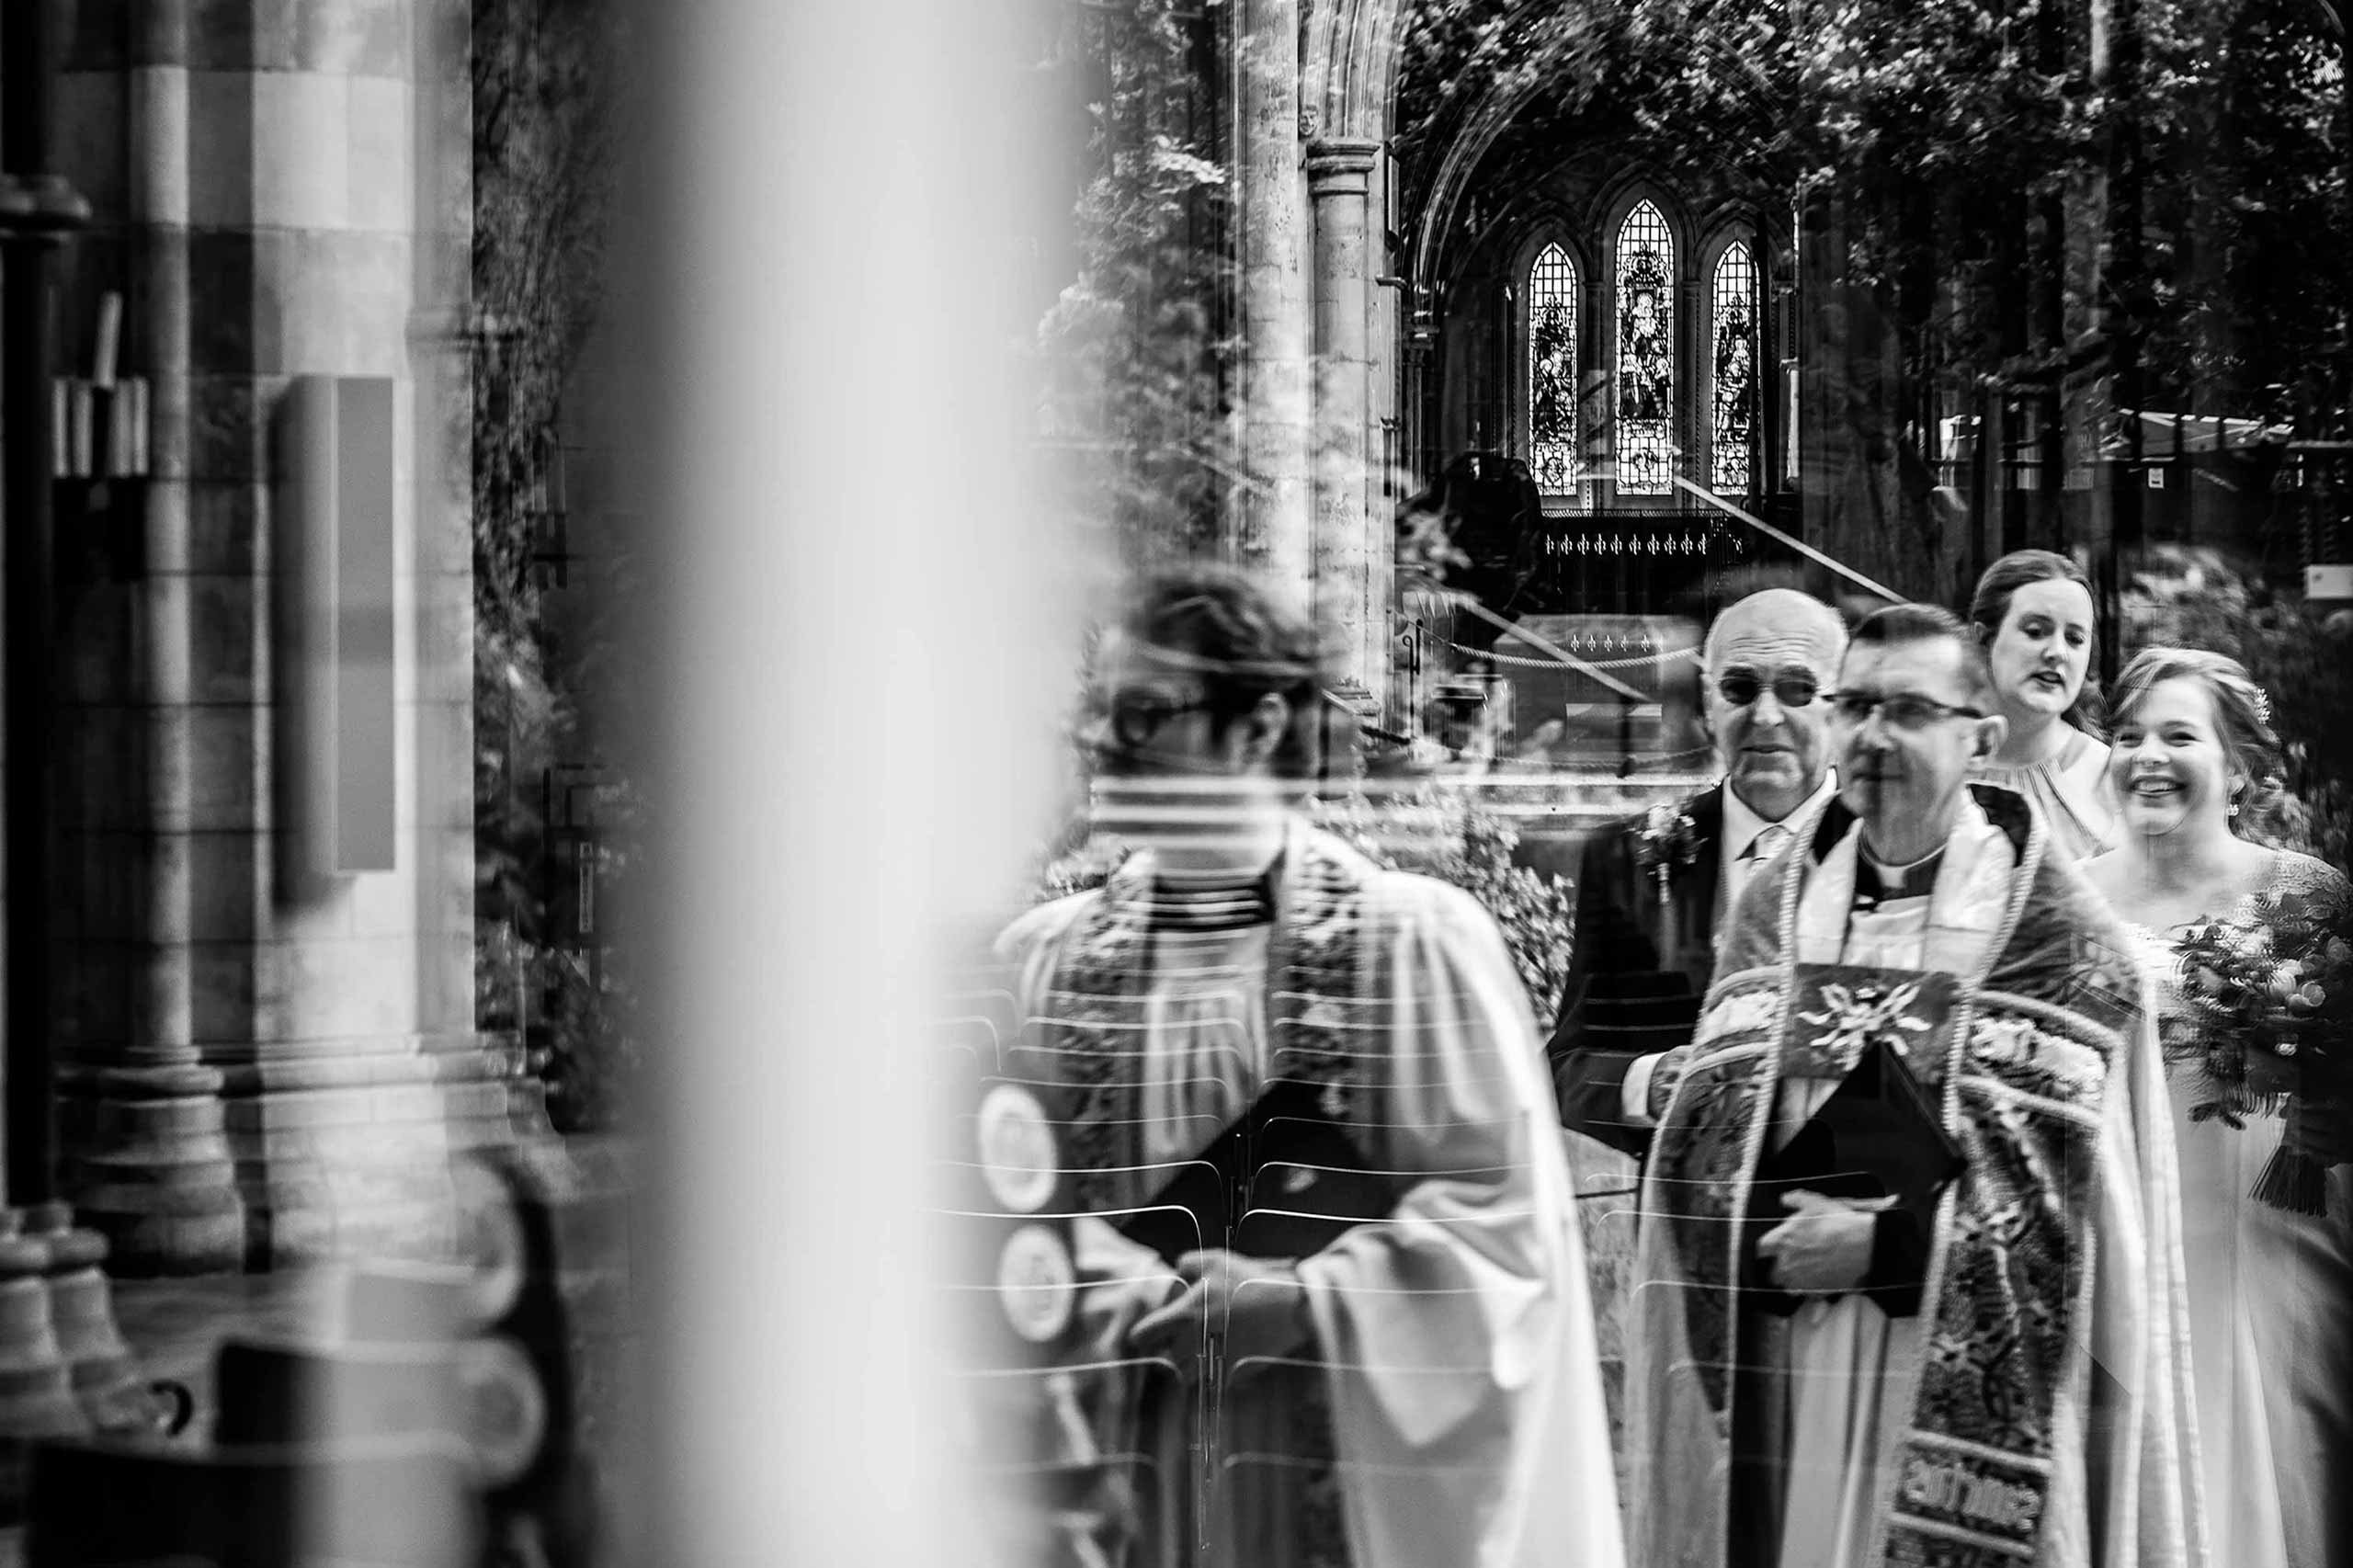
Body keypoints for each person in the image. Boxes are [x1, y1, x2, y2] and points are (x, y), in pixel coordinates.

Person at [995, 570, 1622, 1568]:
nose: (1106, 742)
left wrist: (1305, 1299)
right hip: (1123, 1451)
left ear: (1259, 727)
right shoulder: (1043, 962)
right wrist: (1091, 1276)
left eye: (1144, 713)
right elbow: (993, 1211)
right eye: (1099, 712)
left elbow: (1506, 1230)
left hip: (1320, 1459)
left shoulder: (1405, 947)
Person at [1624, 603, 2201, 1568]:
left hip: (1948, 1377)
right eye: (1854, 705)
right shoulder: (1772, 915)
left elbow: (2094, 1223)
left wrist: (1890, 1246)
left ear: (1980, 738)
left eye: (1907, 710)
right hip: (1789, 1357)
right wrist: (1762, 1226)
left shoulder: (2062, 944)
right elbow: (1703, 1144)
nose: (1871, 735)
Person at [2083, 648, 2352, 1568]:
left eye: (2178, 735)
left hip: (2266, 1225)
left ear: (2236, 767)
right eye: (2128, 736)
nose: (2146, 756)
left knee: (2268, 1451)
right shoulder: (2065, 894)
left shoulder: (2305, 893)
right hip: (2115, 1224)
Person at [1548, 587, 1845, 1152]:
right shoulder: (1624, 857)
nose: (1765, 715)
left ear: (1843, 705)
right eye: (1739, 688)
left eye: (1797, 689)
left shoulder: (1889, 851)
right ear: (1709, 705)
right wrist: (1651, 1083)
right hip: (1685, 1198)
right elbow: (1568, 1066)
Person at [1967, 550, 2116, 861]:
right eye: (2035, 632)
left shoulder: (2111, 776)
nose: (2057, 652)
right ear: (1983, 640)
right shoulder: (1935, 763)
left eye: (2075, 639)